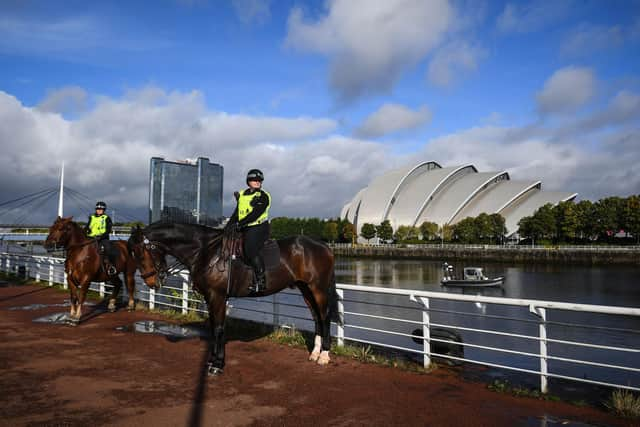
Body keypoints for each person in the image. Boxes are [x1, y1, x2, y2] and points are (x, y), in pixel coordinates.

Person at [228, 169, 271, 293]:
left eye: (259, 180)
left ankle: (260, 281)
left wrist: (240, 224)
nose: (257, 182)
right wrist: (228, 227)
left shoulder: (263, 196)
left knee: (250, 249)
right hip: (243, 226)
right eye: (254, 180)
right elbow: (237, 213)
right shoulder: (242, 194)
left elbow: (255, 214)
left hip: (258, 227)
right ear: (248, 181)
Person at [85, 201, 117, 276]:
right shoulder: (91, 217)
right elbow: (87, 227)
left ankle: (110, 266)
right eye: (98, 209)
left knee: (108, 249)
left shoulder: (106, 218)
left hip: (102, 239)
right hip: (91, 238)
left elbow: (108, 229)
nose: (99, 210)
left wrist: (101, 236)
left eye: (101, 209)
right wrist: (86, 231)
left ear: (104, 210)